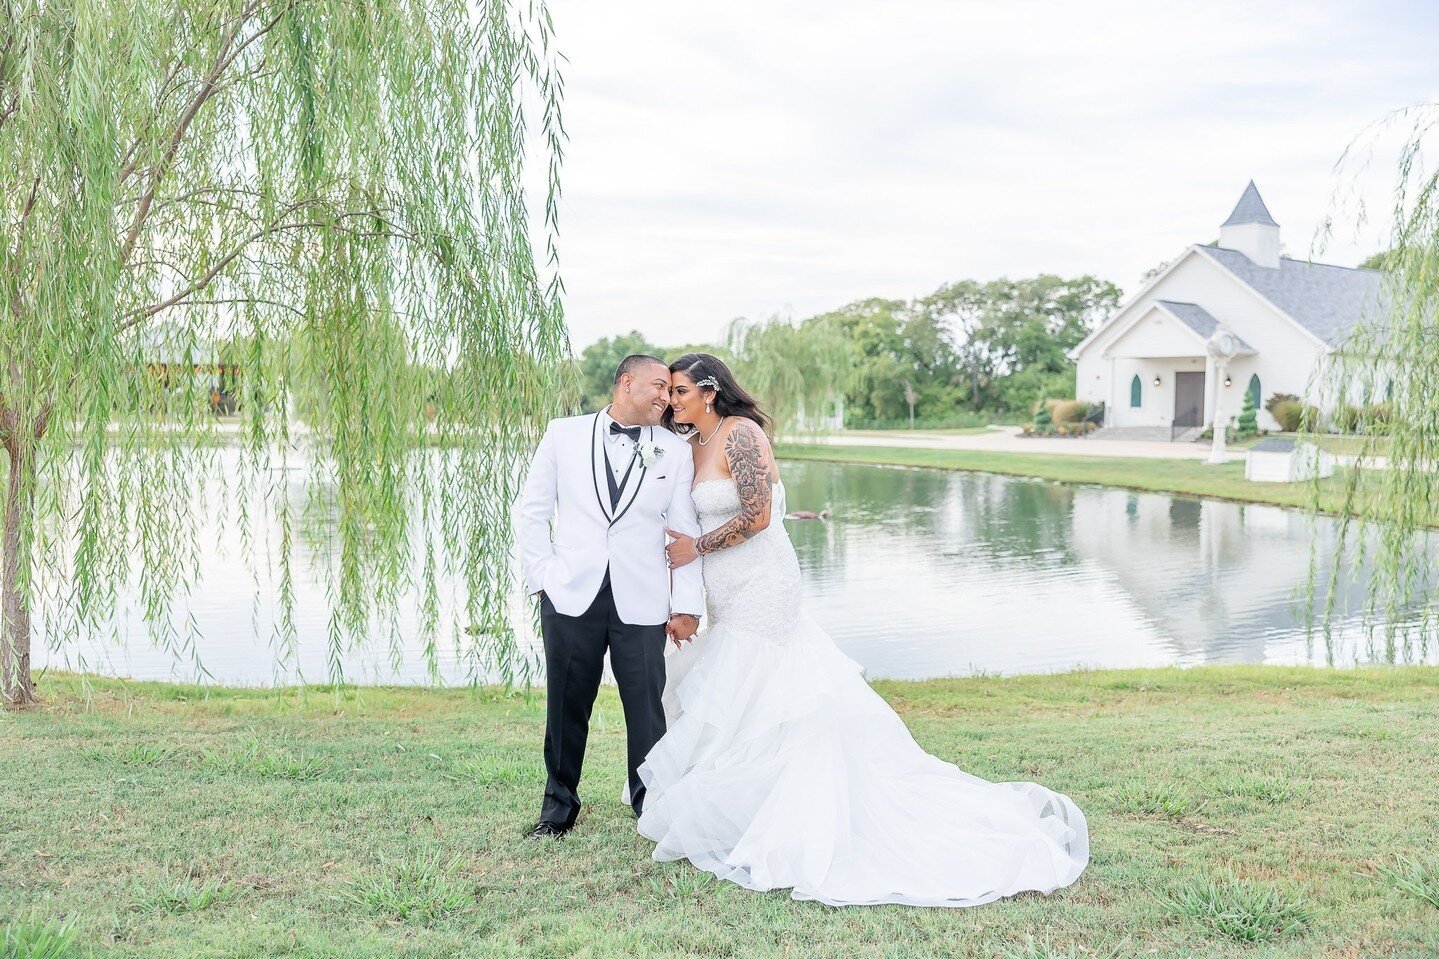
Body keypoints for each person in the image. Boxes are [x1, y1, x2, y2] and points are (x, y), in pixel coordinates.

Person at [636, 353, 1090, 907]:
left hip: (764, 582)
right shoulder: (690, 444)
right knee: (735, 683)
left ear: (708, 392)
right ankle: (743, 801)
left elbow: (756, 517)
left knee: (767, 684)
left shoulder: (742, 434)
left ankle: (791, 808)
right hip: (724, 589)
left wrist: (693, 549)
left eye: (679, 391)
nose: (672, 401)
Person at [514, 355, 704, 838]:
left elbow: (684, 530)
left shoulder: (674, 451)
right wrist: (543, 577)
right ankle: (557, 810)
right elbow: (530, 511)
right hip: (570, 593)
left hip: (642, 597)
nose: (667, 397)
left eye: (671, 390)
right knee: (565, 704)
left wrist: (685, 605)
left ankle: (651, 807)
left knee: (645, 705)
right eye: (659, 386)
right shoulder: (563, 433)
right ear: (626, 383)